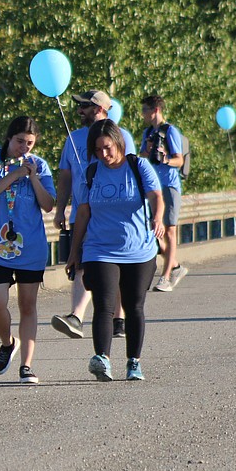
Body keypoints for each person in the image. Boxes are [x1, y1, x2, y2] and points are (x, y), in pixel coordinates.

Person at [66, 119, 164, 381]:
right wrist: (74, 252)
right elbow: (83, 213)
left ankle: (134, 362)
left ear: (118, 142)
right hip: (99, 249)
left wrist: (157, 218)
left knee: (134, 306)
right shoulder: (92, 172)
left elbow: (156, 195)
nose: (104, 155)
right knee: (104, 305)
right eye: (97, 150)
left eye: (107, 148)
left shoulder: (137, 165)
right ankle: (103, 359)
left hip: (139, 249)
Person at [50, 90, 136, 340]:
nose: (79, 111)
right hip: (82, 212)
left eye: (84, 106)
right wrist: (60, 209)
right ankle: (76, 317)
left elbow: (131, 173)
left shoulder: (123, 137)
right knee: (81, 263)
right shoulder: (73, 138)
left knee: (117, 265)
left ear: (99, 108)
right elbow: (65, 176)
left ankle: (118, 318)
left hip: (113, 214)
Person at [0, 116, 56, 384]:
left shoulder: (40, 165)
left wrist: (32, 177)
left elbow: (48, 204)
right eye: (20, 141)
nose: (24, 148)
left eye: (30, 143)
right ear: (9, 139)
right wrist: (14, 174)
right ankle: (8, 343)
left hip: (30, 247)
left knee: (27, 305)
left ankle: (27, 366)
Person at [140, 95, 188, 292]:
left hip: (168, 185)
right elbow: (142, 157)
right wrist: (149, 151)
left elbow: (180, 160)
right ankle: (175, 266)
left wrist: (165, 159)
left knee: (169, 230)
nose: (142, 114)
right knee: (153, 231)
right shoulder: (148, 133)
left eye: (145, 110)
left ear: (155, 110)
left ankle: (166, 276)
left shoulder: (170, 131)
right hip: (152, 186)